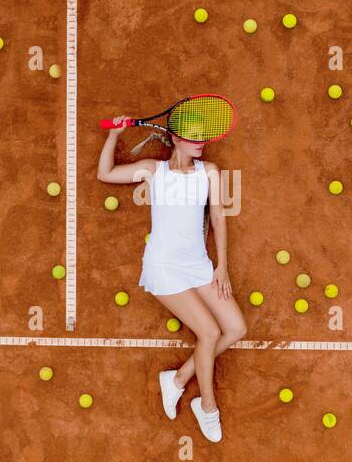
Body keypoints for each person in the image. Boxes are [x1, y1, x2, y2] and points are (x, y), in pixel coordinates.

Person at [97, 116, 246, 442]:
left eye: (203, 138)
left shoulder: (209, 172)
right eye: (194, 137)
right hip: (164, 268)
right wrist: (114, 136)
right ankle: (207, 407)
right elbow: (105, 174)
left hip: (199, 266)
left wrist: (222, 266)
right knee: (209, 332)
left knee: (236, 328)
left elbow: (218, 215)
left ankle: (177, 380)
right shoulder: (154, 171)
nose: (201, 142)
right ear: (175, 138)